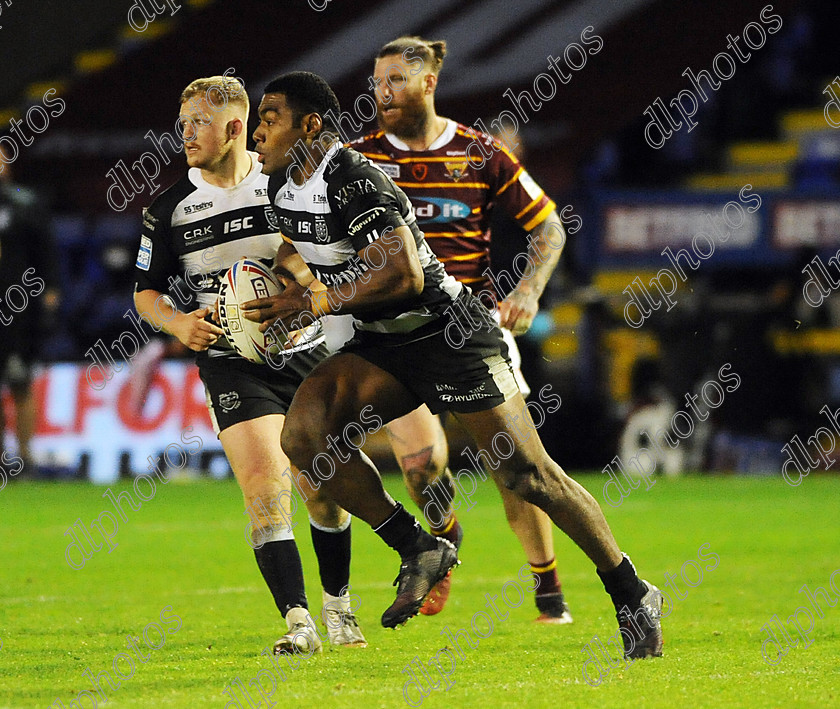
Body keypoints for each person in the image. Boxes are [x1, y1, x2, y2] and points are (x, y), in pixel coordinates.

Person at [245, 71, 664, 657]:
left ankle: (630, 589)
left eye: (269, 119)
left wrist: (313, 298)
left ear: (310, 125)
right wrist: (290, 300)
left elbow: (403, 275)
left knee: (528, 476)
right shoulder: (280, 186)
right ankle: (419, 546)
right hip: (384, 344)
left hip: (449, 333)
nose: (256, 134)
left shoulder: (352, 177)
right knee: (306, 436)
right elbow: (318, 254)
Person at [131, 75, 367, 655]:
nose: (185, 134)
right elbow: (145, 292)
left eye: (197, 124)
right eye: (182, 123)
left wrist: (298, 282)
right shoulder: (168, 209)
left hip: (305, 351)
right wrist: (179, 323)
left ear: (235, 127)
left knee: (323, 488)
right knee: (265, 488)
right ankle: (299, 624)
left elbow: (326, 255)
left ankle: (338, 604)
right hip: (230, 362)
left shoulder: (285, 187)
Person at [348, 36, 571, 622]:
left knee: (514, 469)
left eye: (395, 80)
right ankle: (443, 541)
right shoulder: (357, 160)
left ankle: (548, 588)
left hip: (471, 331)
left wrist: (527, 290)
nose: (381, 93)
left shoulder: (482, 153)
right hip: (395, 335)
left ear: (428, 83)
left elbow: (550, 229)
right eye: (376, 82)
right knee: (422, 468)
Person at [0, 163, 60, 478]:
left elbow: (46, 253)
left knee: (21, 383)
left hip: (18, 312)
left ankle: (25, 459)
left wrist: (50, 292)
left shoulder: (25, 204)